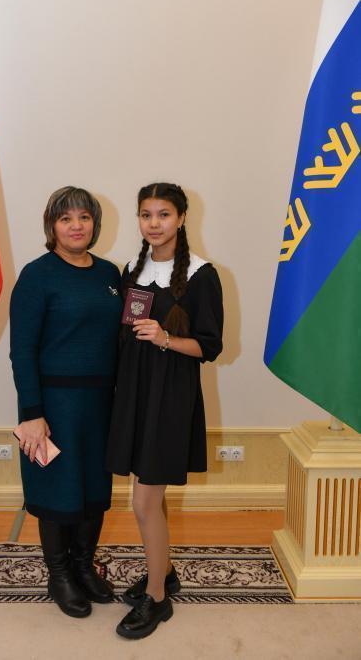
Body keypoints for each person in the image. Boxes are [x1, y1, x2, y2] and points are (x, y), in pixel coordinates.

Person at [106, 183, 223, 639]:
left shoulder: (201, 274)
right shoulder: (131, 269)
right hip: (134, 393)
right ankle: (165, 572)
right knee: (153, 497)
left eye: (163, 214)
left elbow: (209, 347)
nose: (153, 224)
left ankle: (157, 599)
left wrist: (165, 338)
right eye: (146, 215)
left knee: (143, 502)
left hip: (170, 397)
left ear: (182, 218)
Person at [9, 186, 123, 618]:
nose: (76, 226)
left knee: (94, 487)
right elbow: (22, 351)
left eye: (84, 217)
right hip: (54, 406)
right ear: (52, 226)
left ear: (95, 223)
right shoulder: (36, 276)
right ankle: (58, 575)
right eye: (66, 218)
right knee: (57, 489)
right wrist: (32, 414)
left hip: (101, 404)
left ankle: (82, 567)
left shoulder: (110, 274)